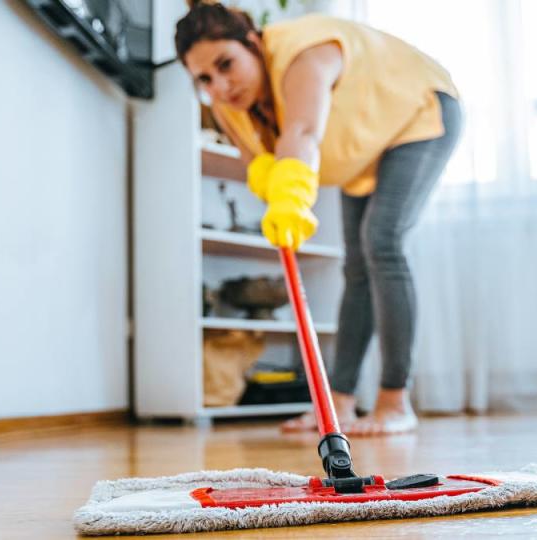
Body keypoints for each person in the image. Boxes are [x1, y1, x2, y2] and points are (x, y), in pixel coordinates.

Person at [175, 1, 461, 436]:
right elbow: (261, 163)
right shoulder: (228, 107)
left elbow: (303, 132)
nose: (220, 85)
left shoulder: (302, 52)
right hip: (361, 150)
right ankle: (339, 405)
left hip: (417, 112)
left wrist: (292, 198)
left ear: (253, 42)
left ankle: (394, 401)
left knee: (381, 243)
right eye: (205, 79)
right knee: (357, 266)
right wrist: (275, 189)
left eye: (226, 64)